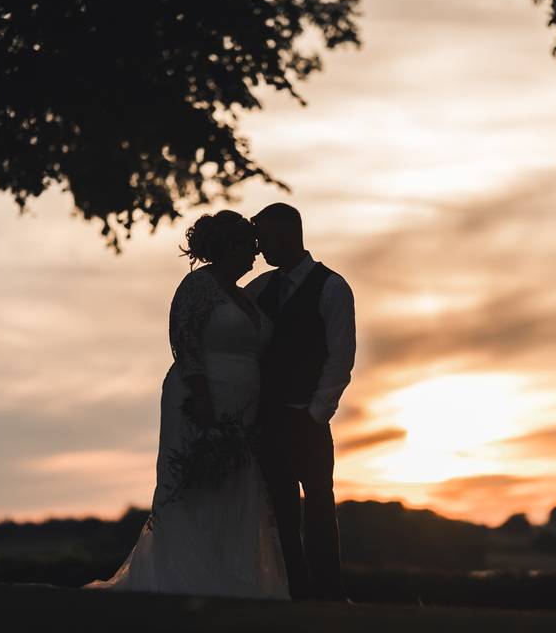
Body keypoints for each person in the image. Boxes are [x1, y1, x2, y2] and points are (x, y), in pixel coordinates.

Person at [81, 210, 289, 599]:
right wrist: (203, 399)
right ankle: (187, 576)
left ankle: (233, 576)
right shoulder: (198, 287)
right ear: (230, 246)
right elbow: (185, 343)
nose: (255, 255)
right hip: (200, 398)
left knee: (234, 488)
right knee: (196, 485)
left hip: (243, 407)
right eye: (249, 246)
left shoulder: (247, 295)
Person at [243, 202, 356, 601]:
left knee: (320, 507)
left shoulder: (332, 287)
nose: (260, 248)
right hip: (268, 420)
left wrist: (314, 413)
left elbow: (340, 357)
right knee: (283, 513)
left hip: (307, 421)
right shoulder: (259, 290)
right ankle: (295, 591)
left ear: (289, 235)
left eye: (266, 238)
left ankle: (330, 591)